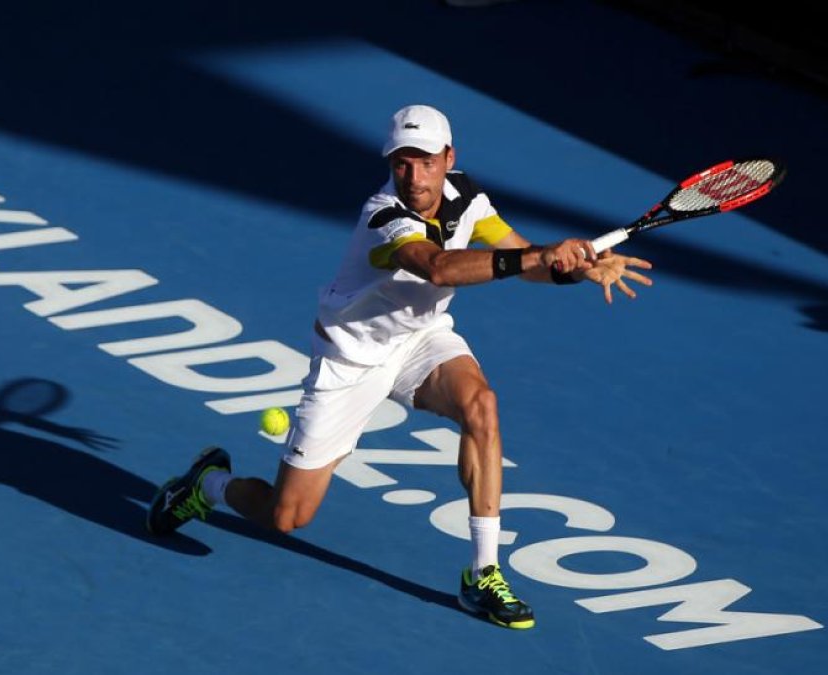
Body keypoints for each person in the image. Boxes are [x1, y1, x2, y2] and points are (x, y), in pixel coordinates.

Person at [146, 104, 654, 629]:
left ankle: (483, 574)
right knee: (286, 516)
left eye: (426, 162)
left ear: (448, 158)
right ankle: (207, 484)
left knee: (481, 405)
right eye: (402, 164)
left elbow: (526, 260)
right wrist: (540, 256)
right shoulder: (384, 215)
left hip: (420, 341)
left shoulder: (469, 197)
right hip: (350, 360)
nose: (413, 176)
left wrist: (577, 272)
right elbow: (439, 267)